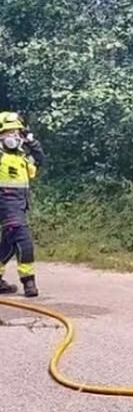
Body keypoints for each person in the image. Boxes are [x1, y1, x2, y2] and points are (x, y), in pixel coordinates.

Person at [0, 112, 43, 298]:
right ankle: (28, 281)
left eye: (16, 132)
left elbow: (39, 162)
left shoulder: (22, 156)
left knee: (8, 244)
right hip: (5, 203)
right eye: (7, 132)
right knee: (23, 239)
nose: (12, 136)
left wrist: (33, 144)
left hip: (19, 204)